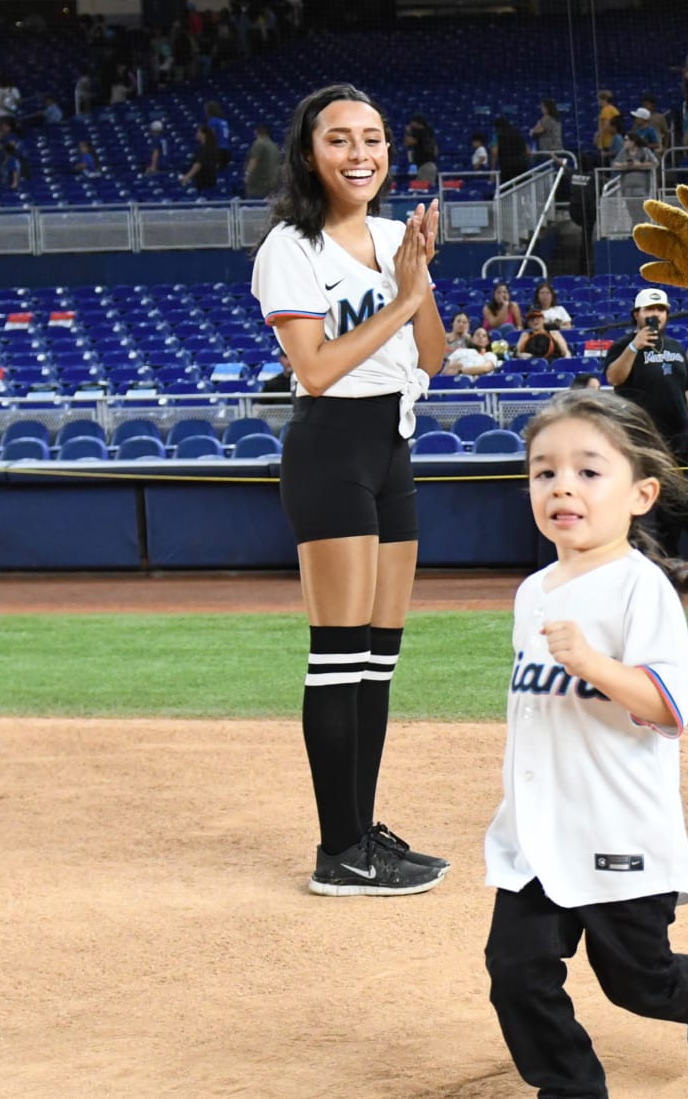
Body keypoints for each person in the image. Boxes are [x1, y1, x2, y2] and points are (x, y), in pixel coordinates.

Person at [484, 392, 688, 1095]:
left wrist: (595, 665)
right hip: (537, 833)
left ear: (641, 494)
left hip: (616, 826)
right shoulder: (533, 590)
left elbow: (668, 708)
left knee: (641, 985)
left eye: (587, 471)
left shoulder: (641, 589)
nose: (562, 485)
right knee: (516, 973)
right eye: (544, 472)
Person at [250, 82, 453, 898]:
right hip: (331, 449)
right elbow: (317, 368)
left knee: (378, 659)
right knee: (337, 658)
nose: (360, 153)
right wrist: (401, 297)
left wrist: (422, 279)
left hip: (391, 447)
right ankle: (338, 851)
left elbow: (431, 356)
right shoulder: (288, 249)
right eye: (340, 139)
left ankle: (364, 831)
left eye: (372, 138)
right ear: (310, 152)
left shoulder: (396, 235)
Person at [605, 288, 688, 558]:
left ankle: (668, 559)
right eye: (649, 310)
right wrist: (634, 346)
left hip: (677, 439)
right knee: (639, 499)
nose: (655, 315)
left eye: (660, 310)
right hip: (640, 440)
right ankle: (633, 557)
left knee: (674, 502)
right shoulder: (623, 345)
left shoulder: (674, 347)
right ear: (636, 314)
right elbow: (614, 378)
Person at [180, 123, 220, 194]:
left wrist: (187, 177)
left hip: (203, 183)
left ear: (203, 135)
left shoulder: (203, 149)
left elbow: (198, 165)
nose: (196, 134)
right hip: (211, 181)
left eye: (198, 132)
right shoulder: (213, 148)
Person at [243, 123, 279, 198]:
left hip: (258, 185)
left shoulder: (259, 143)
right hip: (273, 184)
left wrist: (247, 175)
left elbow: (253, 161)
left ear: (257, 132)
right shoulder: (274, 146)